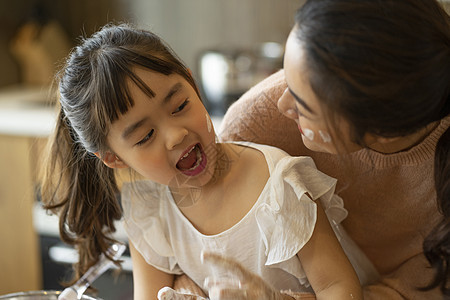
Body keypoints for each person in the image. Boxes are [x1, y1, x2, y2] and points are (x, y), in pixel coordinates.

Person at [39, 23, 379, 300]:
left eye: (179, 106)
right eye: (145, 137)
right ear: (113, 158)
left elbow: (341, 289)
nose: (175, 135)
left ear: (194, 85)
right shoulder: (150, 212)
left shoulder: (276, 185)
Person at [165, 0, 449, 299]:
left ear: (384, 131)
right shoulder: (256, 125)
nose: (282, 103)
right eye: (285, 75)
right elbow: (202, 235)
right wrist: (191, 280)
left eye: (303, 104)